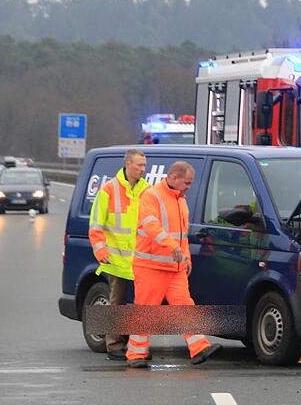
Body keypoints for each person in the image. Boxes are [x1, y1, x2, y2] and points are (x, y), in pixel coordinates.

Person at [126, 160, 221, 368]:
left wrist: (186, 258)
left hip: (175, 267)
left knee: (185, 306)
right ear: (173, 177)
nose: (189, 187)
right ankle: (136, 354)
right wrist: (172, 246)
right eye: (187, 183)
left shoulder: (180, 200)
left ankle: (199, 347)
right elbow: (151, 225)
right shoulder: (152, 196)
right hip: (151, 266)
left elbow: (182, 236)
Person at [88, 148, 148, 360]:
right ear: (128, 164)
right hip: (117, 259)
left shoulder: (146, 190)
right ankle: (114, 345)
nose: (143, 169)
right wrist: (100, 250)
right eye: (139, 165)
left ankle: (136, 347)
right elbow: (96, 224)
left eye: (144, 165)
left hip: (141, 259)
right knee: (117, 304)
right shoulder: (109, 190)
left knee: (140, 305)